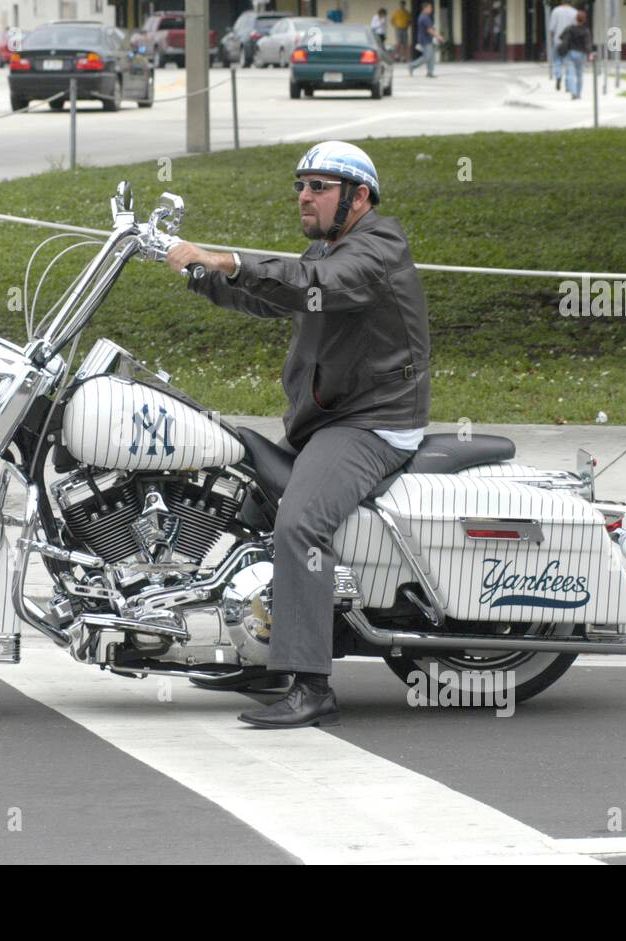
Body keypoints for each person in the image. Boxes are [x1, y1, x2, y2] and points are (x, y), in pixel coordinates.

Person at [164, 141, 432, 729]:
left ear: (358, 197)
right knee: (239, 491)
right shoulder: (328, 248)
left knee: (301, 524)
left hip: (371, 423)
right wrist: (198, 273)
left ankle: (311, 685)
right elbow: (281, 296)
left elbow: (322, 282)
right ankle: (259, 645)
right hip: (329, 421)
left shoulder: (377, 248)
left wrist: (229, 259)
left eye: (320, 186)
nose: (305, 196)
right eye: (301, 185)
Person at [558, 10, 594, 99]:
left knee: (570, 73)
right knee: (579, 75)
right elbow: (588, 44)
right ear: (584, 20)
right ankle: (578, 94)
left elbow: (561, 37)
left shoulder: (570, 28)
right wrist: (590, 54)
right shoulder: (586, 31)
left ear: (576, 19)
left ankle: (573, 92)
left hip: (571, 53)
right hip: (582, 54)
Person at [547, 0, 578, 91]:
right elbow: (576, 28)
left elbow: (552, 28)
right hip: (570, 43)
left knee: (557, 61)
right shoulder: (574, 12)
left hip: (558, 41)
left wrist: (553, 39)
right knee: (569, 63)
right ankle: (568, 85)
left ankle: (558, 75)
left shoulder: (556, 11)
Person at [408, 1, 443, 78]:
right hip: (425, 40)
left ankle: (430, 72)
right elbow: (429, 30)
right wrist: (438, 37)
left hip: (428, 39)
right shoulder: (424, 18)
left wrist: (436, 35)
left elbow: (431, 28)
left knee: (431, 57)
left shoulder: (425, 17)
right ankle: (412, 66)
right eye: (430, 8)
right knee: (426, 57)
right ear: (425, 8)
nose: (431, 9)